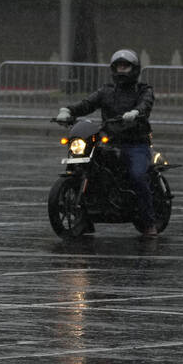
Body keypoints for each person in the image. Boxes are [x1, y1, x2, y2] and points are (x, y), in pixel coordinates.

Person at [55, 48, 158, 237]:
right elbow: (87, 104)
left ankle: (149, 221)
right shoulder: (106, 91)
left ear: (134, 69)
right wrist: (68, 111)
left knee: (137, 176)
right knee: (86, 166)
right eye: (118, 66)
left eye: (125, 66)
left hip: (135, 143)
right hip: (108, 142)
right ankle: (85, 218)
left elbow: (145, 105)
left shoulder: (144, 90)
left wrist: (136, 113)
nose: (121, 70)